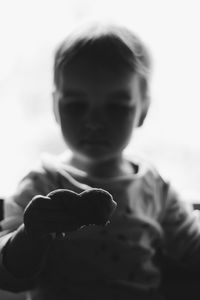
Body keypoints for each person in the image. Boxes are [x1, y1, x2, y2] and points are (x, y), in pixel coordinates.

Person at [0, 21, 200, 300]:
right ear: (55, 107)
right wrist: (31, 233)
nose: (94, 122)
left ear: (143, 109)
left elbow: (193, 248)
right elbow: (8, 276)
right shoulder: (42, 184)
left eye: (116, 108)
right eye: (75, 105)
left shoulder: (154, 187)